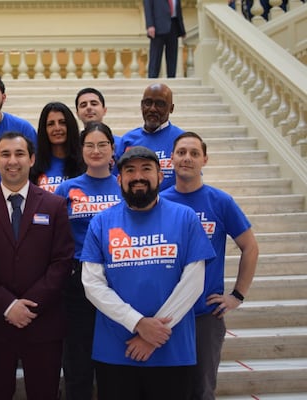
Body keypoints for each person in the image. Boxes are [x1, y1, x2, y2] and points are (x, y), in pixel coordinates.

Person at [81, 146, 215, 400]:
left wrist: (153, 335)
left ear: (160, 176)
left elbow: (194, 283)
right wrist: (138, 323)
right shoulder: (101, 222)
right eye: (130, 170)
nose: (138, 176)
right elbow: (92, 285)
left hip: (172, 350)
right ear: (119, 179)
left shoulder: (185, 217)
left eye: (146, 169)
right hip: (115, 350)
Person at [0, 131, 74, 400]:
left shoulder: (55, 205)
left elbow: (62, 261)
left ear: (32, 159)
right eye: (5, 154)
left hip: (43, 323)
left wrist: (29, 305)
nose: (13, 161)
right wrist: (8, 306)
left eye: (19, 154)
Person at [161, 132, 259, 400]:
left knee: (202, 390)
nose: (187, 158)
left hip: (205, 314)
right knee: (166, 388)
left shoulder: (220, 201)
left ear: (205, 159)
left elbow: (250, 247)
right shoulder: (160, 201)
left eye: (194, 153)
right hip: (167, 314)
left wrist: (237, 295)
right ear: (171, 159)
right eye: (181, 152)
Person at [54, 122, 122, 400]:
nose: (96, 151)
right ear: (81, 150)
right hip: (76, 280)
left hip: (117, 279)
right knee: (77, 360)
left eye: (102, 145)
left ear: (112, 149)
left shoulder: (123, 186)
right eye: (90, 145)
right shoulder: (66, 189)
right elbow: (55, 238)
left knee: (113, 362)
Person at [117, 83, 184, 191]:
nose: (152, 109)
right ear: (141, 105)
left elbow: (192, 179)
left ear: (171, 108)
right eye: (148, 103)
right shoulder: (128, 140)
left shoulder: (182, 141)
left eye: (160, 104)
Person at [30, 101, 85, 193]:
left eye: (62, 122)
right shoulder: (33, 165)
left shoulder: (84, 162)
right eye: (51, 124)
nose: (57, 128)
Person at [74, 87, 122, 162]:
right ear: (77, 114)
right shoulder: (73, 145)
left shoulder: (120, 144)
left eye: (94, 104)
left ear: (104, 110)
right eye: (83, 105)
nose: (89, 107)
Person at [144, 0, 186, 78]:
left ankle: (171, 80)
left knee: (172, 57)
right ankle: (152, 82)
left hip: (174, 25)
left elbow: (178, 9)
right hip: (158, 27)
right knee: (155, 58)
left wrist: (182, 29)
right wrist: (150, 25)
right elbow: (148, 6)